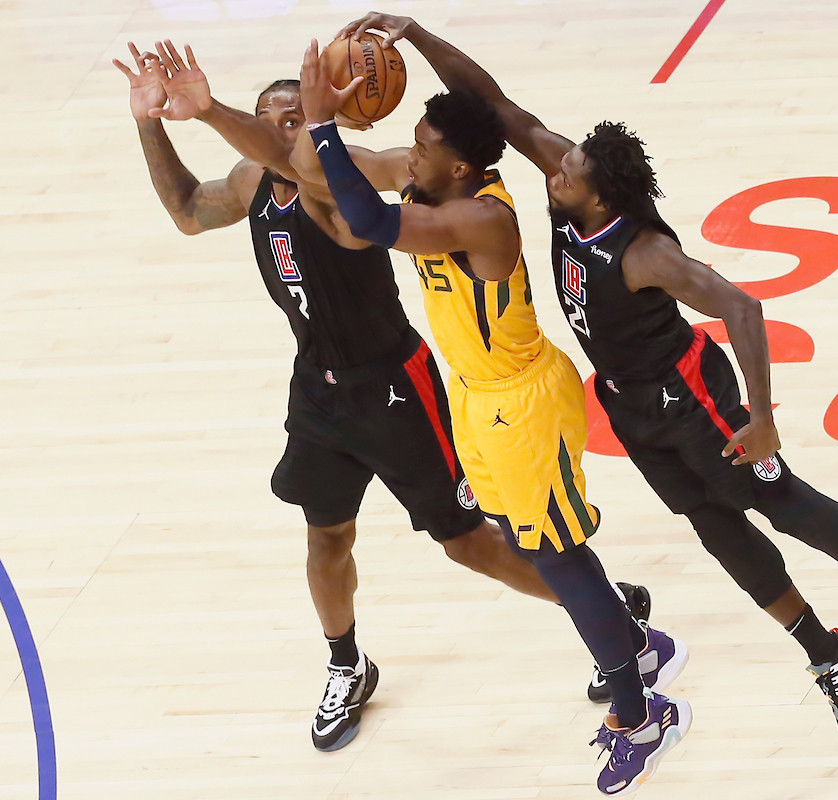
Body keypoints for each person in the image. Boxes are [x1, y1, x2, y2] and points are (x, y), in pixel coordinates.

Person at [343, 13, 838, 754]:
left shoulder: (645, 251)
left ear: (599, 199)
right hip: (629, 403)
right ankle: (828, 653)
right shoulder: (570, 189)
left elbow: (742, 307)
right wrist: (420, 37)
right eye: (561, 162)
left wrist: (763, 418)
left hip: (689, 396)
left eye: (569, 172)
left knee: (783, 504)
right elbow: (495, 104)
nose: (554, 169)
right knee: (715, 529)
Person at [112, 41, 652, 755]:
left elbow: (356, 192)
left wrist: (273, 120)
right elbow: (189, 209)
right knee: (326, 535)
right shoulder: (257, 181)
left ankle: (611, 628)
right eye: (270, 119)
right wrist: (164, 117)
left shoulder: (390, 184)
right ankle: (347, 663)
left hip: (408, 386)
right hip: (324, 388)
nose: (282, 131)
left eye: (296, 118)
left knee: (476, 545)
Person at [284, 39, 693, 796]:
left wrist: (324, 126)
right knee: (534, 544)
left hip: (521, 404)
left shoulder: (481, 219)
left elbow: (368, 221)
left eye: (423, 149)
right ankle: (638, 650)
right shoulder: (434, 187)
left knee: (558, 557)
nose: (410, 155)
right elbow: (321, 172)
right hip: (474, 397)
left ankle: (643, 715)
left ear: (461, 169)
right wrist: (328, 115)